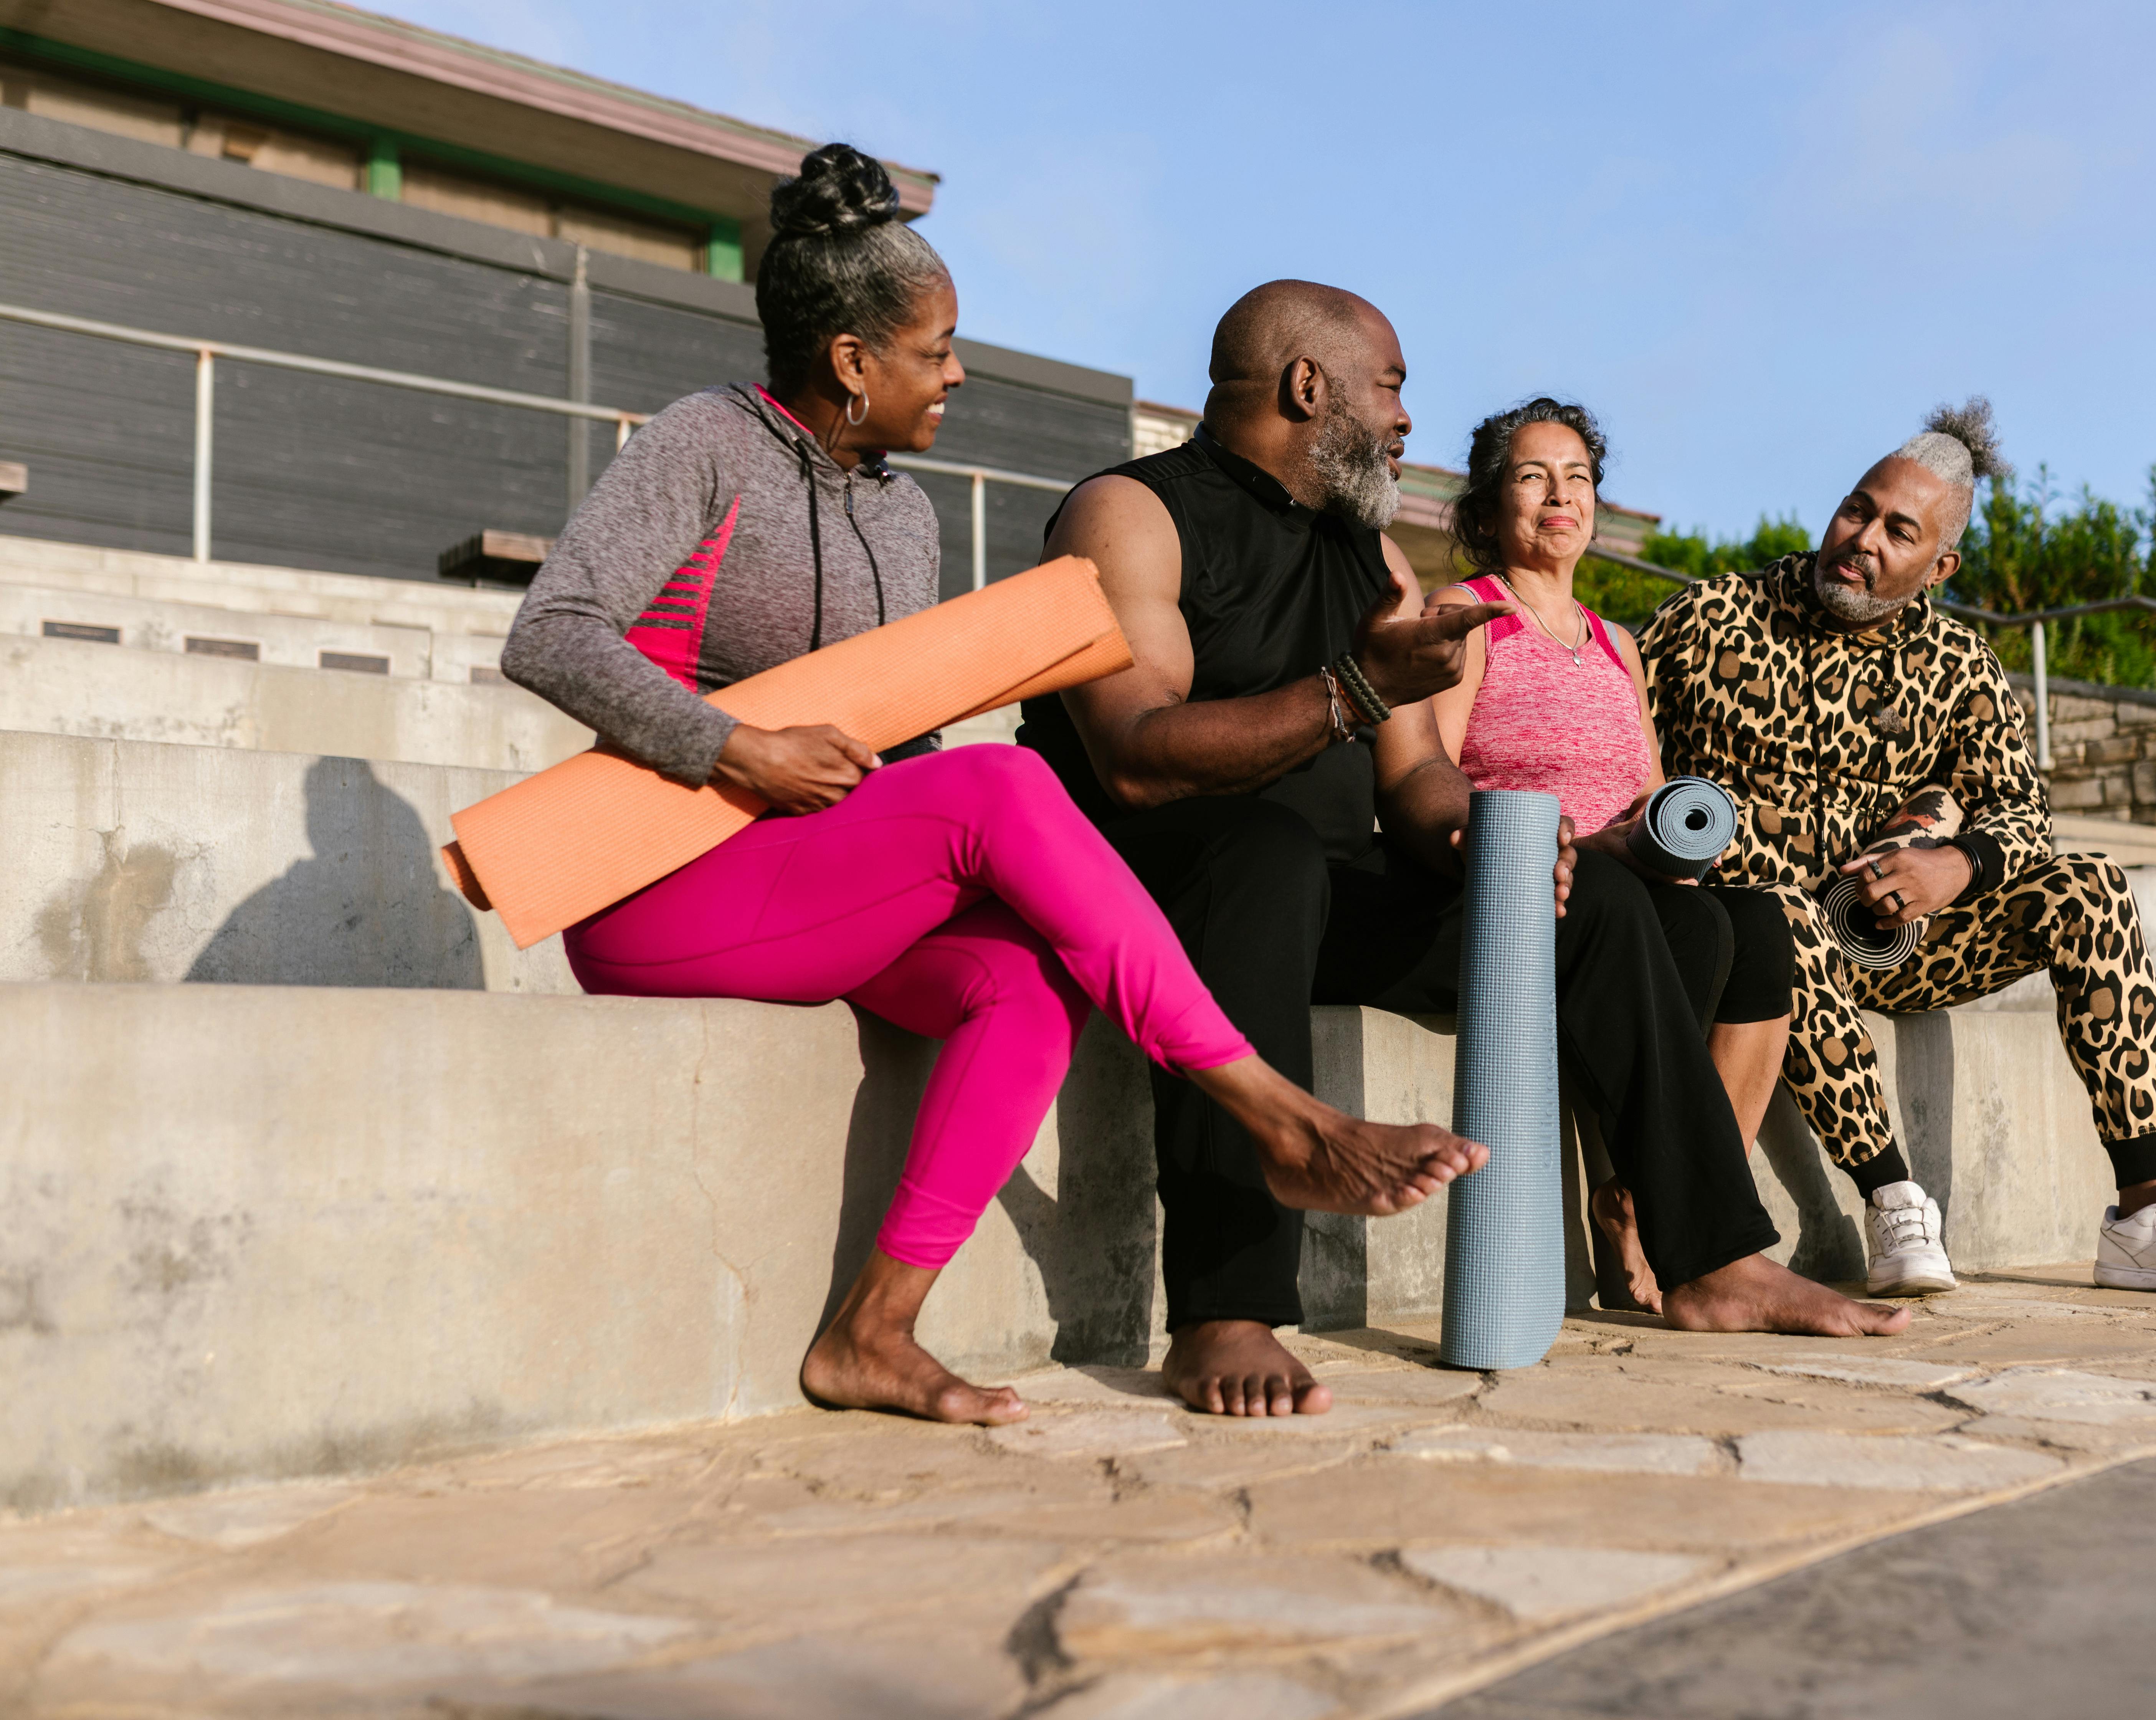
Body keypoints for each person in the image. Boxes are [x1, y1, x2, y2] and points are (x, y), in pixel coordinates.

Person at [500, 150, 1488, 1430]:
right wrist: (732, 750)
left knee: (1026, 979)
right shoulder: (703, 445)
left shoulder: (906, 517)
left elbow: (894, 754)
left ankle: (874, 1332)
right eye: (937, 349)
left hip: (817, 886)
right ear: (855, 362)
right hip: (662, 885)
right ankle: (1277, 1116)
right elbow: (552, 632)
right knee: (1003, 793)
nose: (960, 374)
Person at [1022, 281, 1910, 1419]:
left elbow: (1413, 776)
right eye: (1389, 388)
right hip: (1159, 878)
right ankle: (1226, 1309)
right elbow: (1139, 756)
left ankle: (1712, 1258)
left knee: (1611, 901)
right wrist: (1352, 690)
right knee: (1263, 852)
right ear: (1309, 387)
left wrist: (1482, 837)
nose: (1403, 420)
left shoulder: (1363, 551)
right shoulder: (1131, 512)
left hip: (1334, 894)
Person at [1638, 400, 2156, 1300]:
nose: (1863, 538)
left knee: (2091, 886)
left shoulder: (1961, 660)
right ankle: (1891, 1199)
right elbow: (1613, 739)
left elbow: (2021, 812)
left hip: (1902, 941)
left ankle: (2150, 1210)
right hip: (1756, 938)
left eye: (1898, 530)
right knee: (1778, 910)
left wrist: (1954, 866)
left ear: (1940, 564)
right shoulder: (1713, 614)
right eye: (1856, 509)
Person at [1421, 397, 1796, 1314]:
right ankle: (1679, 1226)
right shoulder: (1465, 616)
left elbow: (1647, 787)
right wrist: (1589, 844)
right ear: (1487, 505)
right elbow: (1425, 776)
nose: (1561, 494)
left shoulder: (1615, 644)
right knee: (1680, 925)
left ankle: (1640, 1197)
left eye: (1578, 476)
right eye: (1532, 475)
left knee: (1750, 922)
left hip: (1622, 876)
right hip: (1522, 882)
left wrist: (1674, 826)